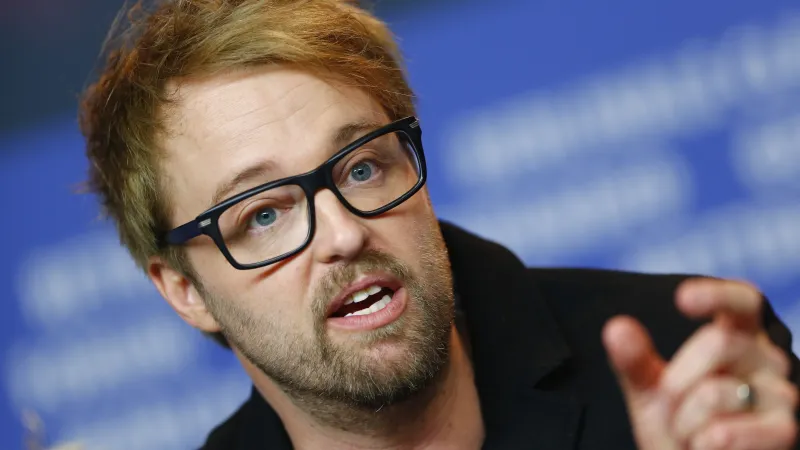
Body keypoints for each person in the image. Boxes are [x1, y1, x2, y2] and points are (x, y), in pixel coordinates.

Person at [79, 1, 799, 448]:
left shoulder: (682, 360)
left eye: (361, 167)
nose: (343, 234)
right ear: (184, 290)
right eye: (263, 214)